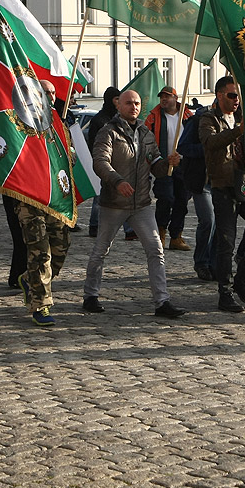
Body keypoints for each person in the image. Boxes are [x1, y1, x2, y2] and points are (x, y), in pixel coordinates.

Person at [84, 89, 186, 318]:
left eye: (137, 103)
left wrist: (170, 163)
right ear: (118, 105)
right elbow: (100, 162)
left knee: (156, 249)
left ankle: (162, 301)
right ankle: (90, 295)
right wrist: (117, 181)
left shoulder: (145, 133)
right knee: (101, 250)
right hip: (114, 203)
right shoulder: (107, 132)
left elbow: (157, 166)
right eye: (129, 103)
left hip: (141, 203)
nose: (134, 107)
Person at [200, 76, 245, 313]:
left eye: (238, 97)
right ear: (220, 95)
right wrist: (237, 131)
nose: (236, 101)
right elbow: (211, 142)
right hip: (224, 186)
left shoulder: (244, 117)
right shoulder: (208, 118)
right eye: (232, 96)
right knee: (226, 242)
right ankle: (225, 291)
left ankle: (242, 279)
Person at [16, 80, 74, 326]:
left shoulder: (59, 125)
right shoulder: (21, 123)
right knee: (40, 252)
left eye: (52, 93)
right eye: (45, 92)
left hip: (56, 198)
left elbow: (68, 157)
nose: (50, 96)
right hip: (31, 199)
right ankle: (41, 305)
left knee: (60, 250)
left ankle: (29, 280)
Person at [144, 86, 194, 251]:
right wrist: (155, 160)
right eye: (162, 97)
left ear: (175, 98)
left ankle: (176, 236)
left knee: (182, 200)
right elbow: (146, 139)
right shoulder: (154, 117)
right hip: (163, 164)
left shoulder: (187, 116)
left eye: (167, 97)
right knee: (165, 198)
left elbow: (195, 136)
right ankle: (160, 232)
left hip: (183, 163)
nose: (164, 100)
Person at [177, 102, 216, 281]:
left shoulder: (234, 121)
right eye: (231, 96)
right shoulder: (197, 120)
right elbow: (183, 147)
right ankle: (201, 262)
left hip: (224, 180)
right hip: (202, 180)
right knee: (208, 220)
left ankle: (216, 263)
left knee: (221, 224)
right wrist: (208, 148)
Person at [84, 86, 121, 238]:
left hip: (116, 161)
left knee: (121, 192)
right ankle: (94, 225)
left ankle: (129, 228)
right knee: (99, 195)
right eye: (116, 99)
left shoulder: (116, 118)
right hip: (102, 161)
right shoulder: (100, 119)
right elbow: (94, 142)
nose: (119, 102)